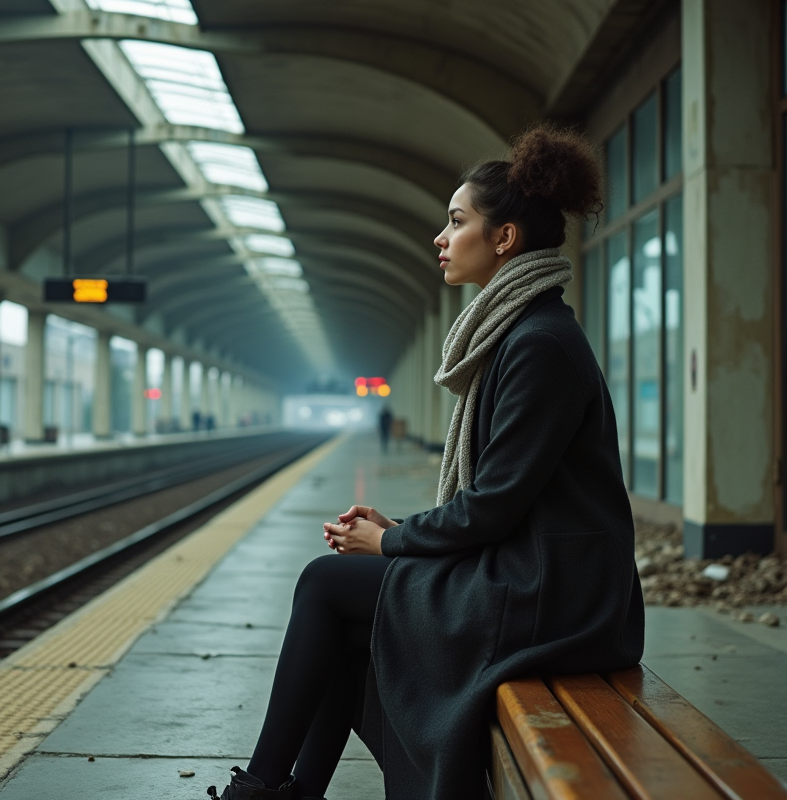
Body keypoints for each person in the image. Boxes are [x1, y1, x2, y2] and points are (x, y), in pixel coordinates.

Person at [211, 125, 643, 800]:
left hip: (553, 597)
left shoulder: (540, 345)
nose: (440, 239)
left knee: (325, 586)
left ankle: (263, 789)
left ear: (505, 240)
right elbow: (502, 497)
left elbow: (495, 503)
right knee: (350, 619)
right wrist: (399, 534)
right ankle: (283, 790)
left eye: (457, 221)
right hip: (541, 578)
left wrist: (391, 541)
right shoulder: (524, 333)